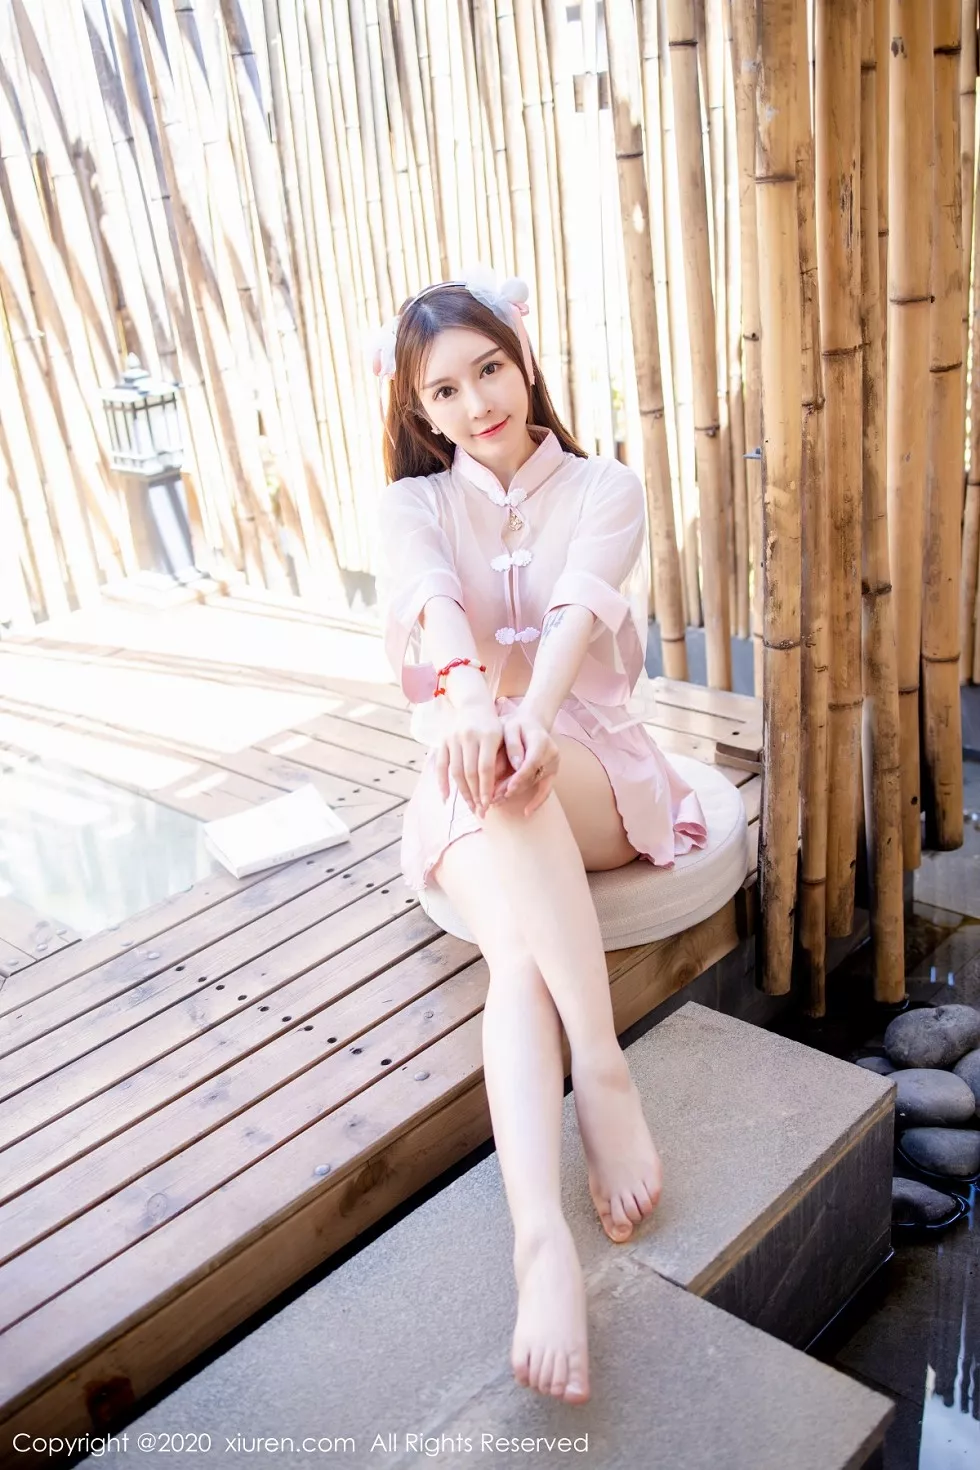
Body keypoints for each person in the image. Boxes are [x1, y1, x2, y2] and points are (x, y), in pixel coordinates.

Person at [371, 265, 706, 1406]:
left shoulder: (606, 487)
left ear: (523, 360)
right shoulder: (412, 506)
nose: (476, 404)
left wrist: (524, 717)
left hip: (592, 771)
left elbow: (572, 617)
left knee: (514, 775)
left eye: (489, 370)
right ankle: (540, 1240)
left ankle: (600, 1077)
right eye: (445, 391)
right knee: (512, 939)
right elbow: (430, 602)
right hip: (472, 772)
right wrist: (471, 704)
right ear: (421, 411)